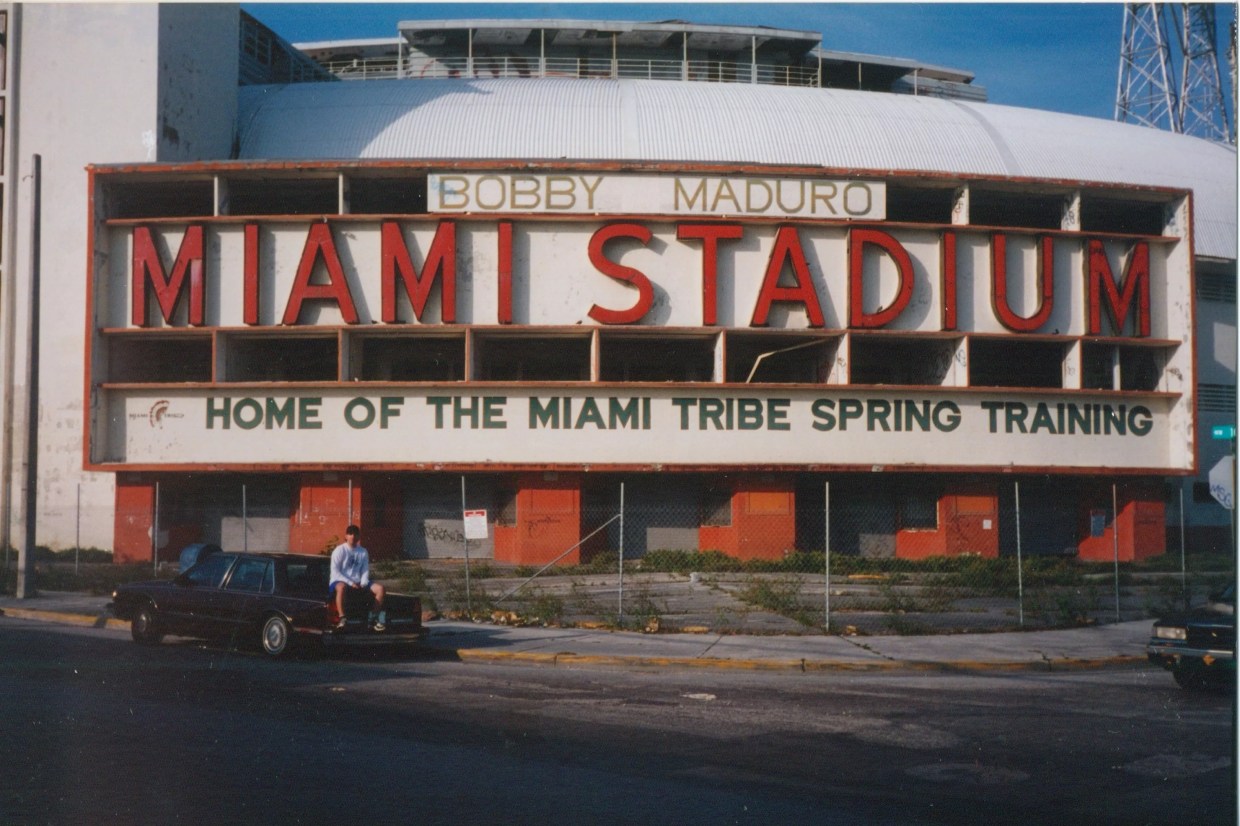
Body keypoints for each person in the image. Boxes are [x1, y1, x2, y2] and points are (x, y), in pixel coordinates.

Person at [329, 525, 386, 631]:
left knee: (380, 589)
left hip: (358, 581)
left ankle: (373, 619)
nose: (353, 536)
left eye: (355, 534)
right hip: (339, 580)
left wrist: (364, 583)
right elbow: (335, 572)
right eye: (350, 534)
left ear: (359, 537)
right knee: (341, 587)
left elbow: (364, 570)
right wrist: (351, 583)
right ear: (346, 536)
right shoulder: (339, 550)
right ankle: (342, 618)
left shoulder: (363, 551)